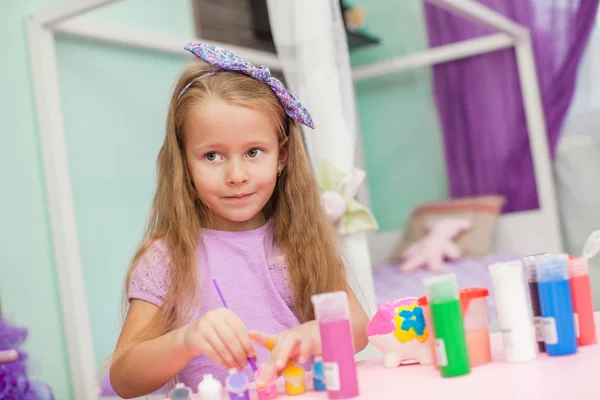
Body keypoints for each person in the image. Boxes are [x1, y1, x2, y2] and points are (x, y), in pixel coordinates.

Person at [109, 42, 369, 398]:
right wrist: (187, 338)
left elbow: (358, 328)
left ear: (282, 156)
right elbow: (124, 378)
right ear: (184, 163)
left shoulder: (299, 238)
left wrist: (310, 335)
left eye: (253, 152)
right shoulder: (167, 258)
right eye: (212, 155)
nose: (236, 175)